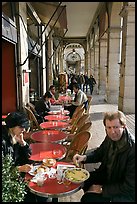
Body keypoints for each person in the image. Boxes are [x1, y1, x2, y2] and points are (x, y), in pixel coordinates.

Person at [73, 111, 135, 202]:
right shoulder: (110, 137)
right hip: (108, 175)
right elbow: (99, 152)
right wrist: (84, 157)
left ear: (124, 126)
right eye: (109, 127)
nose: (112, 132)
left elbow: (130, 185)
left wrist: (103, 189)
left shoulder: (132, 149)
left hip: (123, 191)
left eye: (116, 127)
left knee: (88, 199)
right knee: (83, 181)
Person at [2, 111, 50, 202]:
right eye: (21, 127)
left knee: (44, 191)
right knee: (40, 195)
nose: (24, 130)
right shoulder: (3, 142)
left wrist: (23, 143)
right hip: (9, 182)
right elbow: (4, 172)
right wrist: (20, 169)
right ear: (12, 126)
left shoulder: (14, 136)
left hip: (19, 175)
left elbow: (27, 156)